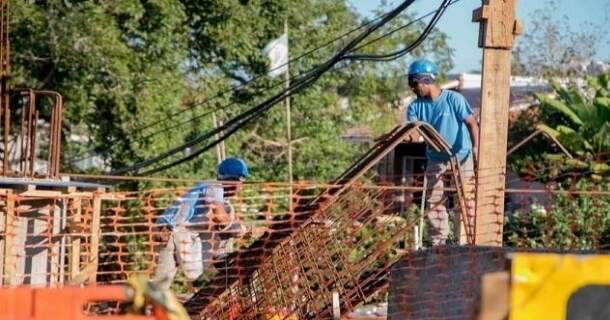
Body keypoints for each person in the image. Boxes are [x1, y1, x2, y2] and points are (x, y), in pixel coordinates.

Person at [405, 59, 479, 245]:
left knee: (465, 199)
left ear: (427, 80)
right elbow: (413, 132)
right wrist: (403, 137)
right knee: (434, 199)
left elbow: (471, 123)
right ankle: (438, 243)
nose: (412, 88)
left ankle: (465, 242)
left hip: (461, 155)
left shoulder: (454, 99)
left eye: (414, 83)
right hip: (436, 157)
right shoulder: (415, 107)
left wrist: (476, 147)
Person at [153, 157, 249, 289]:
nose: (241, 187)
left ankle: (144, 305)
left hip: (166, 230)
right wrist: (239, 228)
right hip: (174, 232)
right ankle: (220, 258)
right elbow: (220, 217)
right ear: (235, 181)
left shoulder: (208, 188)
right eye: (242, 182)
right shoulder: (215, 188)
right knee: (197, 277)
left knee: (160, 284)